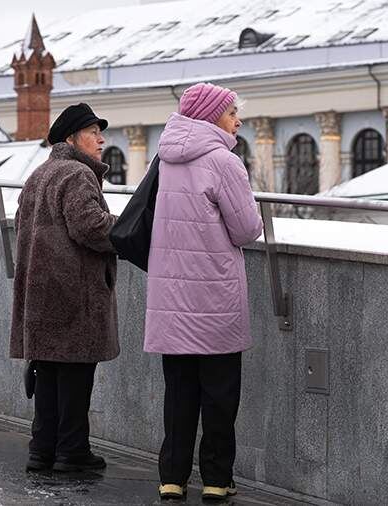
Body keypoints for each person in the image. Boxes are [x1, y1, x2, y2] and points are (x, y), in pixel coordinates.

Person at [144, 83, 263, 500]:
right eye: (232, 113)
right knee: (219, 395)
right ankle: (215, 479)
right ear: (212, 117)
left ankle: (172, 478)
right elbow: (246, 229)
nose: (238, 121)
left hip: (171, 299)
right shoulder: (224, 162)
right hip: (215, 298)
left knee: (179, 394)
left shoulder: (165, 158)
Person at [9, 103, 119, 473]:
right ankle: (72, 450)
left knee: (49, 375)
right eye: (93, 132)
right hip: (75, 294)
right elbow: (90, 227)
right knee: (75, 375)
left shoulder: (39, 174)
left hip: (40, 292)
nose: (101, 139)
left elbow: (20, 224)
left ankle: (42, 449)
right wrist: (124, 227)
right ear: (71, 138)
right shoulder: (77, 174)